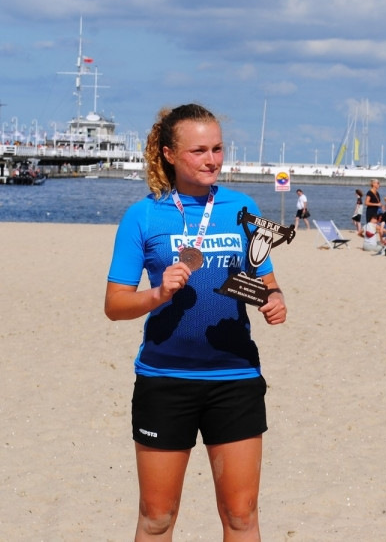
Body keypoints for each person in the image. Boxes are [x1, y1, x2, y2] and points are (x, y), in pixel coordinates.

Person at [104, 103, 287, 541]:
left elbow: (266, 278)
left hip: (236, 378)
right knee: (157, 517)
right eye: (199, 150)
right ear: (169, 154)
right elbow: (114, 304)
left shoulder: (242, 207)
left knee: (241, 516)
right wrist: (158, 293)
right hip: (165, 380)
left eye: (218, 149)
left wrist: (275, 299)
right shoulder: (144, 216)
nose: (212, 160)